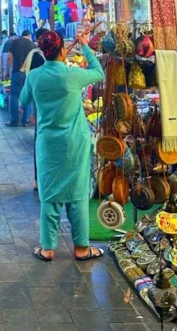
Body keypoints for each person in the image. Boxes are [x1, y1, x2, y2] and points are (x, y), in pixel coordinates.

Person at [20, 29, 104, 262]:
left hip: (47, 144)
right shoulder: (73, 75)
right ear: (61, 50)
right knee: (77, 195)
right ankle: (81, 248)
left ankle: (47, 248)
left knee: (50, 195)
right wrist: (86, 45)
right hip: (74, 143)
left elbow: (23, 100)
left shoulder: (35, 76)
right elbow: (99, 72)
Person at [6, 30, 35, 126]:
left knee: (14, 96)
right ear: (29, 35)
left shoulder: (14, 42)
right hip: (29, 74)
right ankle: (25, 121)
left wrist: (7, 71)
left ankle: (14, 120)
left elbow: (10, 57)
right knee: (28, 97)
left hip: (17, 71)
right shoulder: (32, 44)